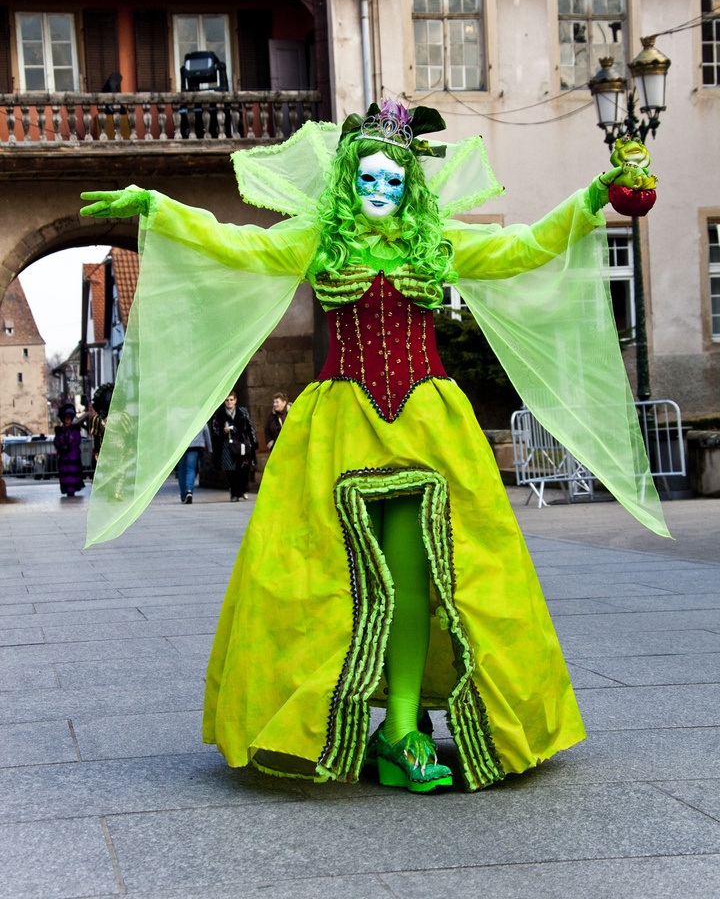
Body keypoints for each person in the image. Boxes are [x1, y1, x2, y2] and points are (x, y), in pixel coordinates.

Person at [79, 101, 669, 795]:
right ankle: (344, 717)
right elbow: (239, 245)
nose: (382, 191)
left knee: (421, 578)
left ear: (410, 185)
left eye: (395, 180)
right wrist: (158, 206)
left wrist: (596, 194)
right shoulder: (319, 242)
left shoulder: (436, 242)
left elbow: (523, 248)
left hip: (428, 424)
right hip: (341, 427)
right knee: (334, 581)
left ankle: (402, 731)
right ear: (347, 183)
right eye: (369, 179)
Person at [212, 391, 258, 501]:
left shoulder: (242, 412)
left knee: (243, 467)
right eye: (227, 400)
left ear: (235, 400)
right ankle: (233, 492)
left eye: (231, 400)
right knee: (230, 469)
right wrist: (223, 431)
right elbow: (215, 428)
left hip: (241, 441)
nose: (229, 402)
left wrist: (253, 442)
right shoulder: (220, 413)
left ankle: (242, 490)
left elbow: (250, 426)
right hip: (228, 442)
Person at [53, 403, 85, 497]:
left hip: (73, 455)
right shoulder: (60, 431)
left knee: (72, 472)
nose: (67, 420)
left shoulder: (75, 430)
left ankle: (72, 489)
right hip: (64, 456)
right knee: (65, 473)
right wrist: (61, 446)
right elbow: (56, 441)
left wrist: (70, 447)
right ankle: (67, 489)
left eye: (69, 418)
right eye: (66, 419)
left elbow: (77, 440)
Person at [177, 423, 212, 504]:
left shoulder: (177, 414)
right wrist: (210, 448)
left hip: (180, 445)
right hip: (195, 445)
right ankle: (189, 491)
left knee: (181, 470)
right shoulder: (198, 413)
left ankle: (183, 495)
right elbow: (206, 429)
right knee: (191, 468)